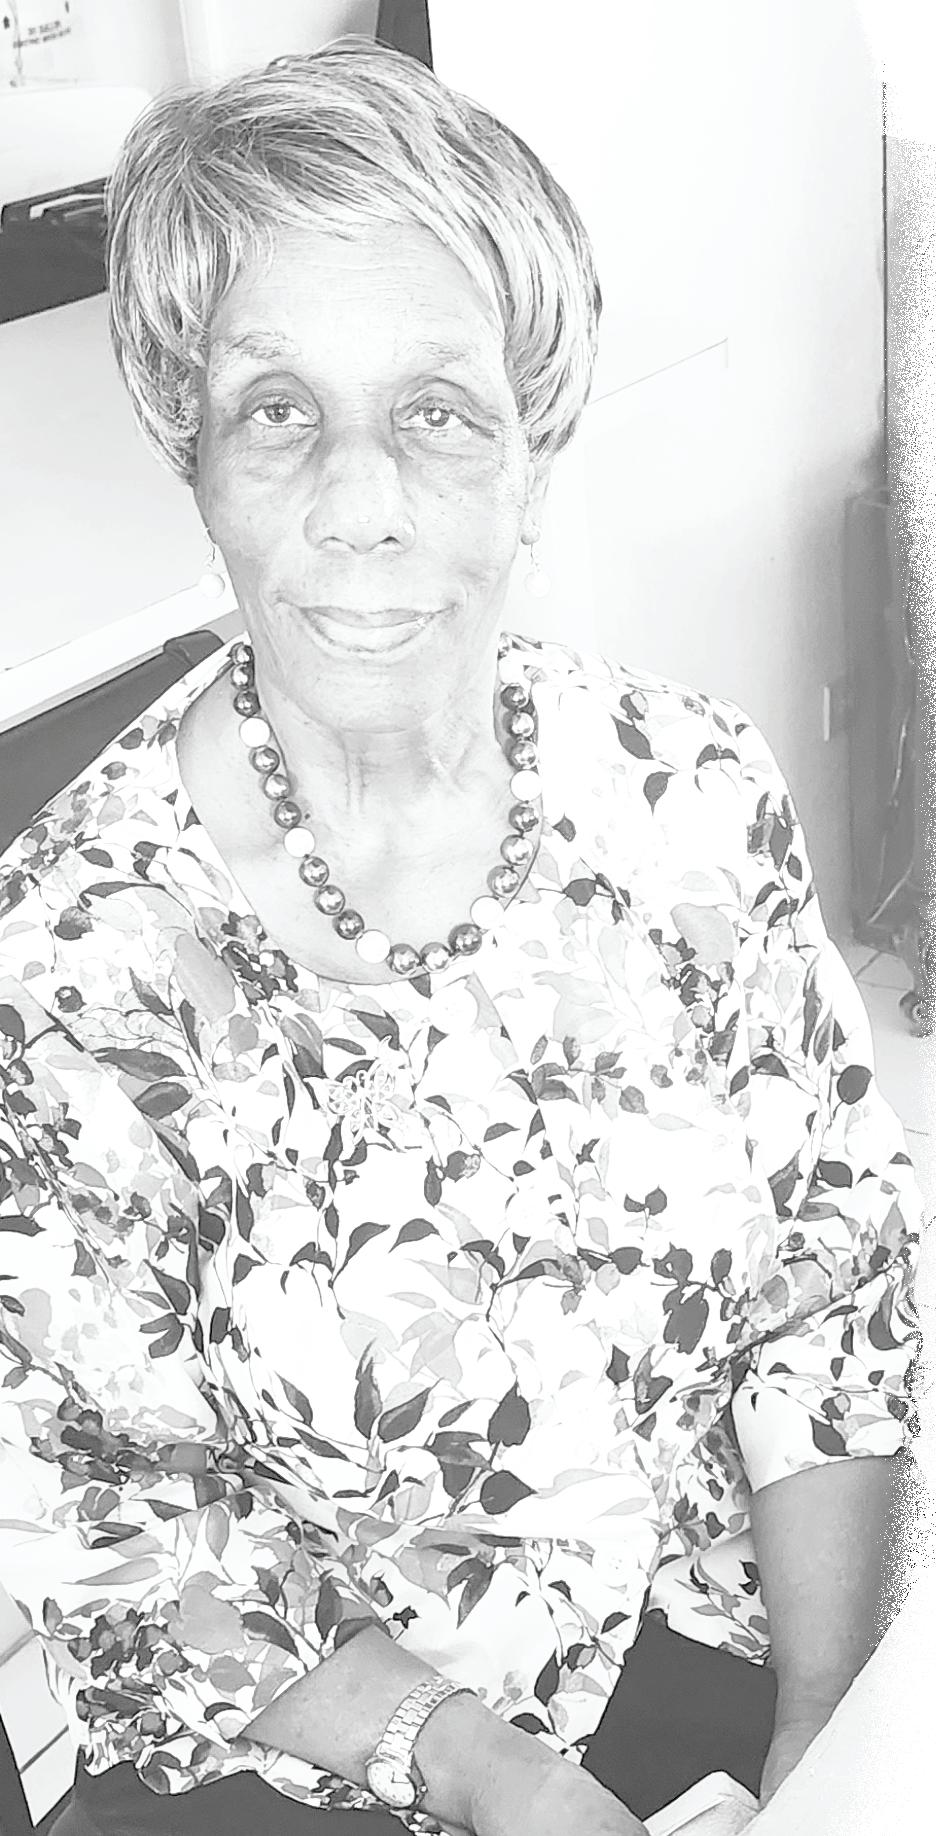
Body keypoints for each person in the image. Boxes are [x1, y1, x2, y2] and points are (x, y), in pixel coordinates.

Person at [0, 36, 922, 1836]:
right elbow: (110, 1519)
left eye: (436, 409)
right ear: (193, 447)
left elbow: (826, 1282)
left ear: (532, 448)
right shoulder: (68, 969)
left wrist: (827, 1738)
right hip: (315, 1736)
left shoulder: (690, 798)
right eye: (279, 409)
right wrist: (487, 1770)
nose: (362, 502)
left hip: (714, 1625)